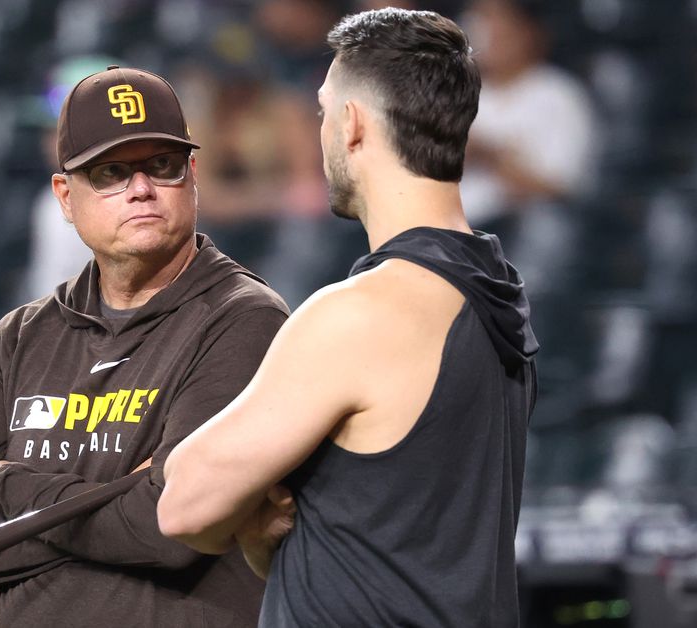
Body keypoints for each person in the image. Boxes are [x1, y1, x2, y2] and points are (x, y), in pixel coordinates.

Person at [159, 8, 538, 628]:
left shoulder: (360, 315)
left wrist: (236, 504)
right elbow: (375, 541)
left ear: (353, 123)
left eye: (323, 112)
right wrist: (258, 530)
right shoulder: (499, 298)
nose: (321, 131)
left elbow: (184, 505)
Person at [0, 66, 288, 627]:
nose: (140, 189)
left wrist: (9, 488)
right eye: (111, 172)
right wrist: (123, 497)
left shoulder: (244, 320)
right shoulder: (20, 338)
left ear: (192, 175)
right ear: (66, 197)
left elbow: (169, 532)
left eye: (161, 166)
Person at [460, 0, 596, 233]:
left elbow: (560, 190)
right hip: (444, 228)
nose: (487, 33)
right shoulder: (455, 95)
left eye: (498, 22)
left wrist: (489, 155)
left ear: (528, 33)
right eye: (480, 21)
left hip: (513, 232)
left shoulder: (558, 95)